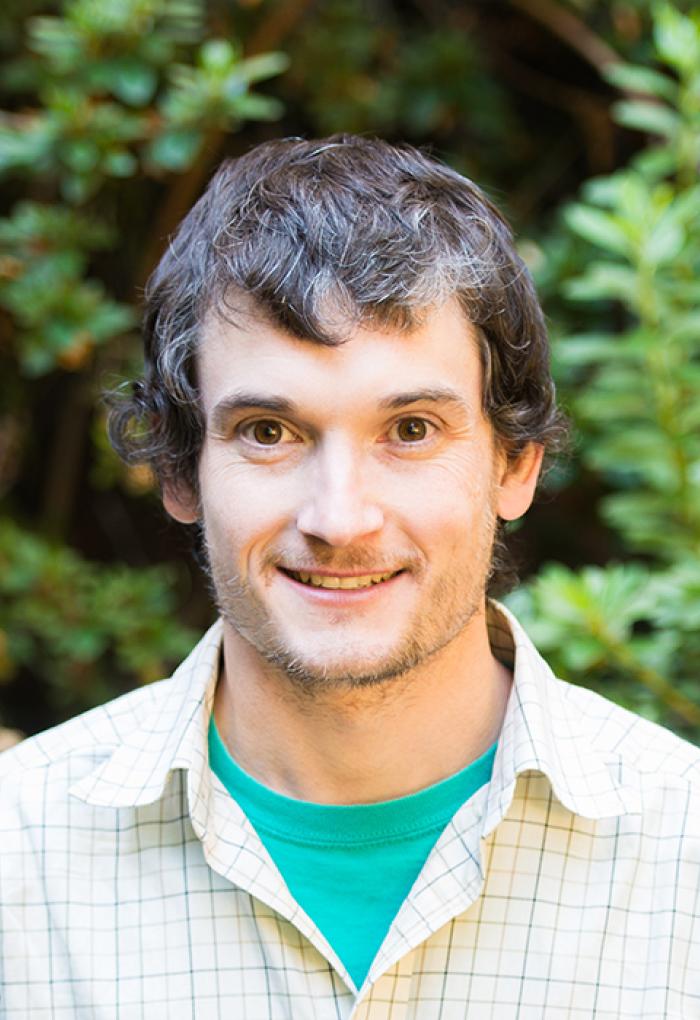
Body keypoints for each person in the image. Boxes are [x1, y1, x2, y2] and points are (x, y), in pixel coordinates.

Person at [1, 135, 698, 1019]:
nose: (340, 518)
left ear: (515, 465)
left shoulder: (686, 854)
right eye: (267, 432)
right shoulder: (16, 858)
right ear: (180, 471)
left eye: (409, 430)